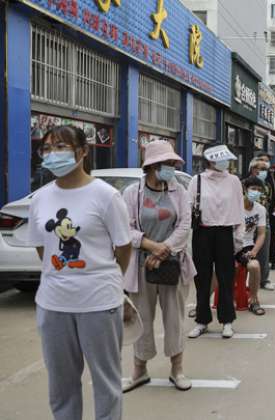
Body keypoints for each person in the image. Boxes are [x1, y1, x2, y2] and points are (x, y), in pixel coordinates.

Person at [29, 126, 132, 420]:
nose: (52, 154)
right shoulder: (40, 198)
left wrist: (108, 280)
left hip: (99, 303)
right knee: (61, 386)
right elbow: (43, 249)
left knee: (106, 383)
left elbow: (123, 248)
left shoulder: (106, 196)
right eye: (46, 149)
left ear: (83, 151)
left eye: (60, 147)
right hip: (53, 304)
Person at [122, 141, 196, 393]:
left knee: (174, 318)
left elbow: (184, 226)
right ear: (153, 166)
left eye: (174, 165)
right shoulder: (133, 193)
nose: (172, 169)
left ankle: (177, 368)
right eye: (169, 164)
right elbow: (126, 228)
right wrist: (151, 247)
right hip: (141, 266)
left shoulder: (179, 192)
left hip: (172, 265)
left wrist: (163, 251)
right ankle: (139, 370)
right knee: (141, 318)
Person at [188, 145, 244, 339]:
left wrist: (239, 239)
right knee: (201, 278)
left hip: (225, 233)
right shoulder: (197, 180)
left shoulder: (234, 181)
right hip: (202, 233)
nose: (224, 162)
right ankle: (202, 320)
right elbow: (189, 208)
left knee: (225, 277)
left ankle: (227, 320)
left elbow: (239, 210)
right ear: (210, 159)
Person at [236, 176, 268, 317]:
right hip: (230, 245)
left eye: (259, 190)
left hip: (247, 246)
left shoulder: (260, 209)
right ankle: (203, 304)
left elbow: (261, 234)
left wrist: (254, 251)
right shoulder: (233, 206)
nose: (256, 192)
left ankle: (253, 300)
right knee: (216, 271)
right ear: (245, 189)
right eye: (253, 189)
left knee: (254, 266)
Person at [249, 157, 275, 291]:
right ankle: (247, 280)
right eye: (261, 169)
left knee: (264, 254)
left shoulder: (268, 186)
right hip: (247, 224)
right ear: (253, 170)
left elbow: (269, 203)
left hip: (264, 223)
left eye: (266, 169)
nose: (264, 172)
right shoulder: (244, 184)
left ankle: (264, 280)